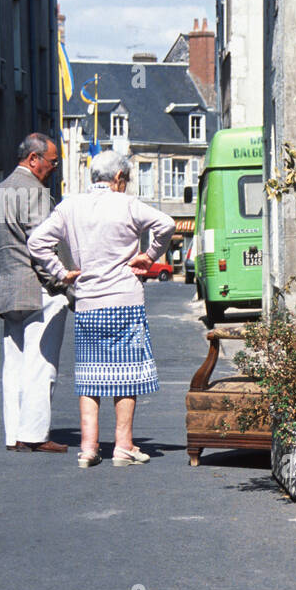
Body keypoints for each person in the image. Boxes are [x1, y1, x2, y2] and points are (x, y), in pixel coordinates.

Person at [28, 150, 175, 468]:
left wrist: (60, 271)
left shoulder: (69, 206)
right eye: (127, 179)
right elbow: (166, 224)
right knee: (127, 377)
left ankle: (89, 448)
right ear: (119, 178)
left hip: (88, 301)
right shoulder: (127, 204)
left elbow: (36, 242)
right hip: (124, 300)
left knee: (90, 377)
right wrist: (149, 255)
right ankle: (123, 446)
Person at [0, 133, 73, 453]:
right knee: (42, 364)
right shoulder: (34, 193)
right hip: (39, 289)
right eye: (52, 162)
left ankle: (14, 435)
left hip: (8, 285)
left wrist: (7, 276)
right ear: (33, 159)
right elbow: (42, 247)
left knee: (14, 366)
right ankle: (34, 434)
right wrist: (64, 285)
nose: (54, 168)